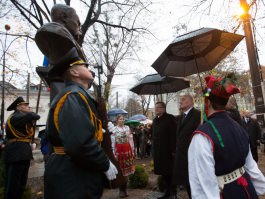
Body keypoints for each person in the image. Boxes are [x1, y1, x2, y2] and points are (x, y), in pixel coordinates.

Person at [44, 47, 118, 199]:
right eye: (84, 66)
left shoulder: (78, 95)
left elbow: (81, 131)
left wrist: (100, 129)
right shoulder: (73, 96)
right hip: (72, 175)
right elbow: (80, 143)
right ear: (74, 72)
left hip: (75, 171)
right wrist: (104, 162)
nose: (88, 68)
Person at [188, 74, 265, 198]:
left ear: (207, 102)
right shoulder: (238, 126)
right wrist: (260, 187)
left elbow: (203, 183)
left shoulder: (202, 136)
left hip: (225, 193)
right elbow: (250, 165)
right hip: (247, 190)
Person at [4, 96, 40, 199]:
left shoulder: (21, 117)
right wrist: (30, 113)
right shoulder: (16, 117)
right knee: (13, 185)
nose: (28, 107)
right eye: (25, 105)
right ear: (18, 107)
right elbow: (35, 116)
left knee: (20, 185)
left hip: (23, 152)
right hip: (17, 153)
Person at [173, 94, 201, 199]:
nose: (180, 101)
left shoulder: (198, 115)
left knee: (195, 185)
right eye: (180, 100)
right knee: (188, 184)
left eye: (183, 100)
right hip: (183, 156)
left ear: (191, 102)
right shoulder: (181, 117)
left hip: (193, 157)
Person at [152, 102, 177, 199]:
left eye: (159, 107)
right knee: (164, 173)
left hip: (168, 152)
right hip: (158, 152)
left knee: (170, 172)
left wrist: (173, 150)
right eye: (156, 107)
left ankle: (173, 193)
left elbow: (174, 135)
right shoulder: (154, 120)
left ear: (164, 108)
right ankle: (167, 192)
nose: (157, 109)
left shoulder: (170, 118)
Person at [109, 115, 135, 198]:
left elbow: (130, 139)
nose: (122, 120)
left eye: (123, 119)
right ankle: (121, 190)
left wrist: (132, 149)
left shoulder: (127, 128)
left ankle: (125, 189)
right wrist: (113, 152)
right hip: (119, 151)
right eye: (120, 119)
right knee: (120, 171)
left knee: (126, 171)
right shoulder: (114, 129)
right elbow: (112, 142)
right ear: (117, 120)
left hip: (127, 150)